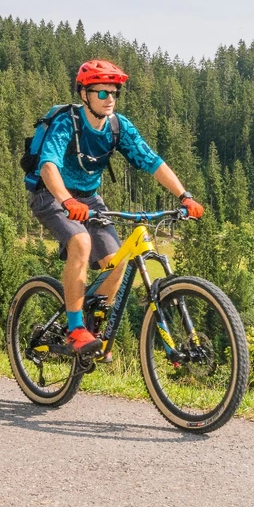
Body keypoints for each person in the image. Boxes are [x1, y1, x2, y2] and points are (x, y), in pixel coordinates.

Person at [29, 59, 203, 355]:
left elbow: (151, 161)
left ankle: (92, 328)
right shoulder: (67, 122)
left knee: (118, 260)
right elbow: (48, 166)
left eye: (114, 93)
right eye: (102, 92)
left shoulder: (117, 126)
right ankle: (75, 330)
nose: (109, 98)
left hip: (89, 199)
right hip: (52, 195)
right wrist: (67, 200)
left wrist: (184, 196)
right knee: (81, 242)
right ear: (84, 94)